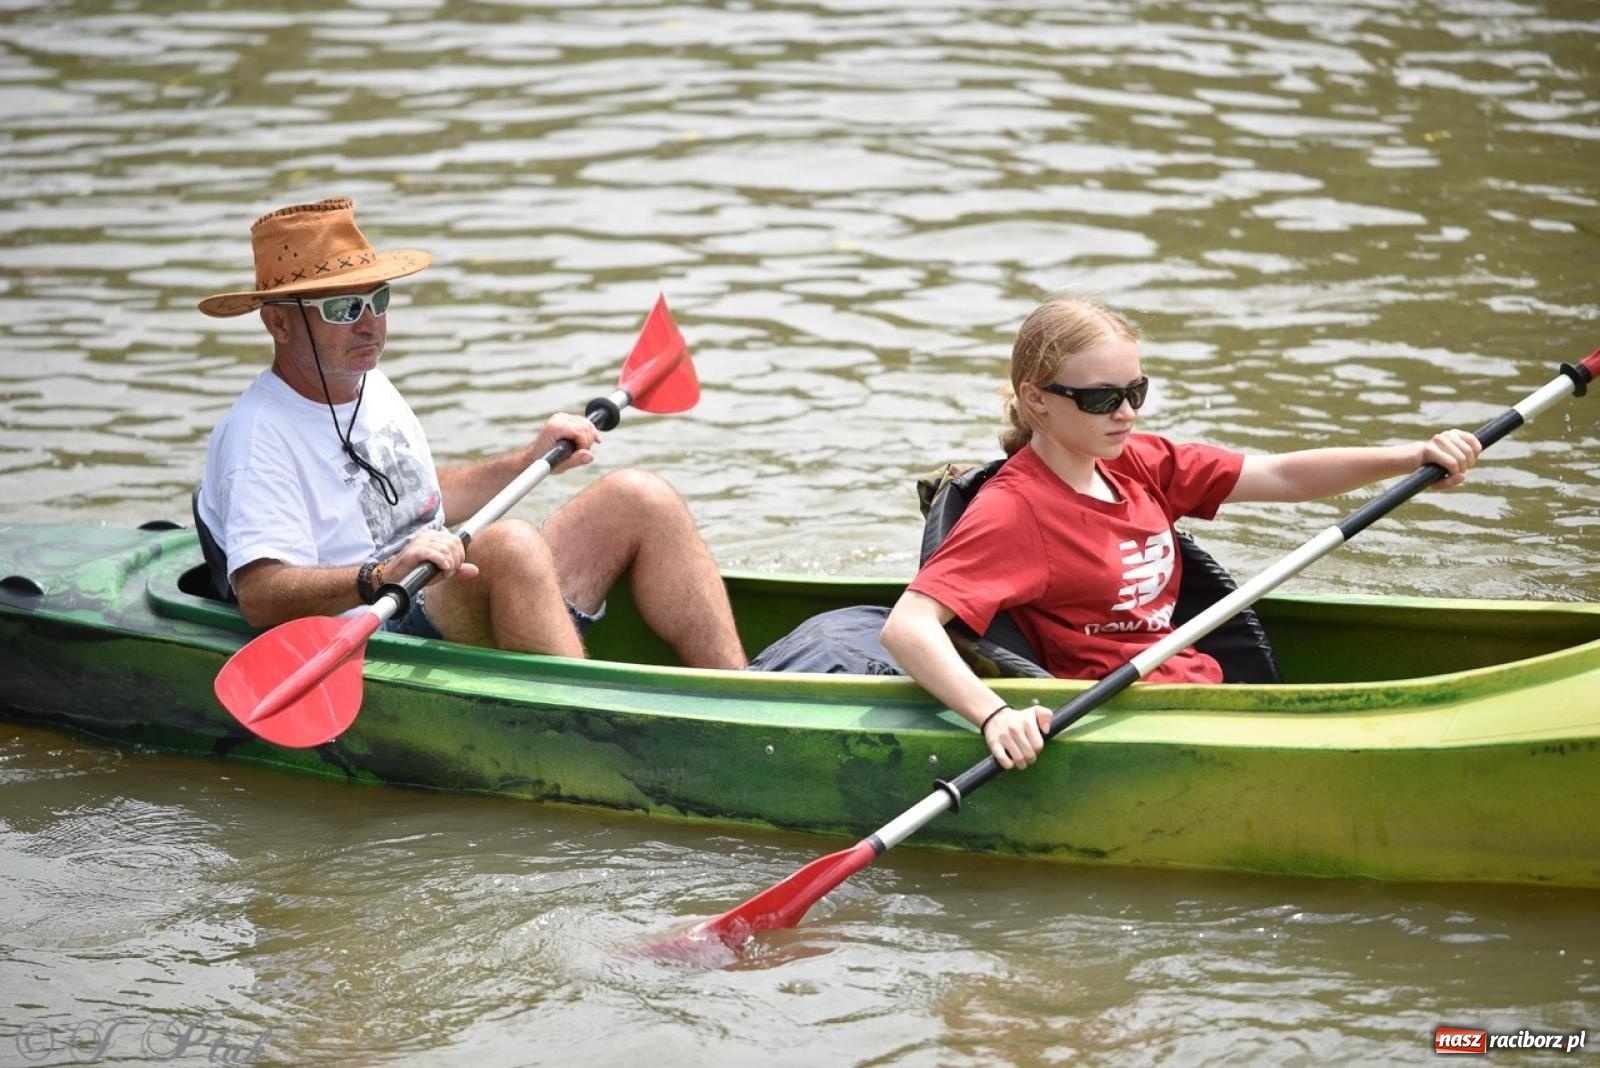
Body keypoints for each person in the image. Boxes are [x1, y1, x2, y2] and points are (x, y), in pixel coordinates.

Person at [880, 296, 1481, 770]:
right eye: (1101, 398)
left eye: (1135, 391)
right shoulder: (1015, 510)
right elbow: (908, 627)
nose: (1126, 413)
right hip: (1118, 718)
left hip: (1194, 687)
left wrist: (1414, 457)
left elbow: (1281, 474)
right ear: (1036, 400)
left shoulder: (1136, 460)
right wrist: (993, 717)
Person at [195, 196, 746, 669]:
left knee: (640, 496)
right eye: (343, 307)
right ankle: (603, 730)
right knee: (509, 545)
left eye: (378, 298)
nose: (370, 323)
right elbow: (261, 597)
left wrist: (527, 458)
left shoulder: (368, 381)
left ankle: (744, 694)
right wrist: (383, 573)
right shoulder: (256, 437)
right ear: (279, 322)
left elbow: (418, 494)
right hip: (372, 631)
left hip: (439, 581)